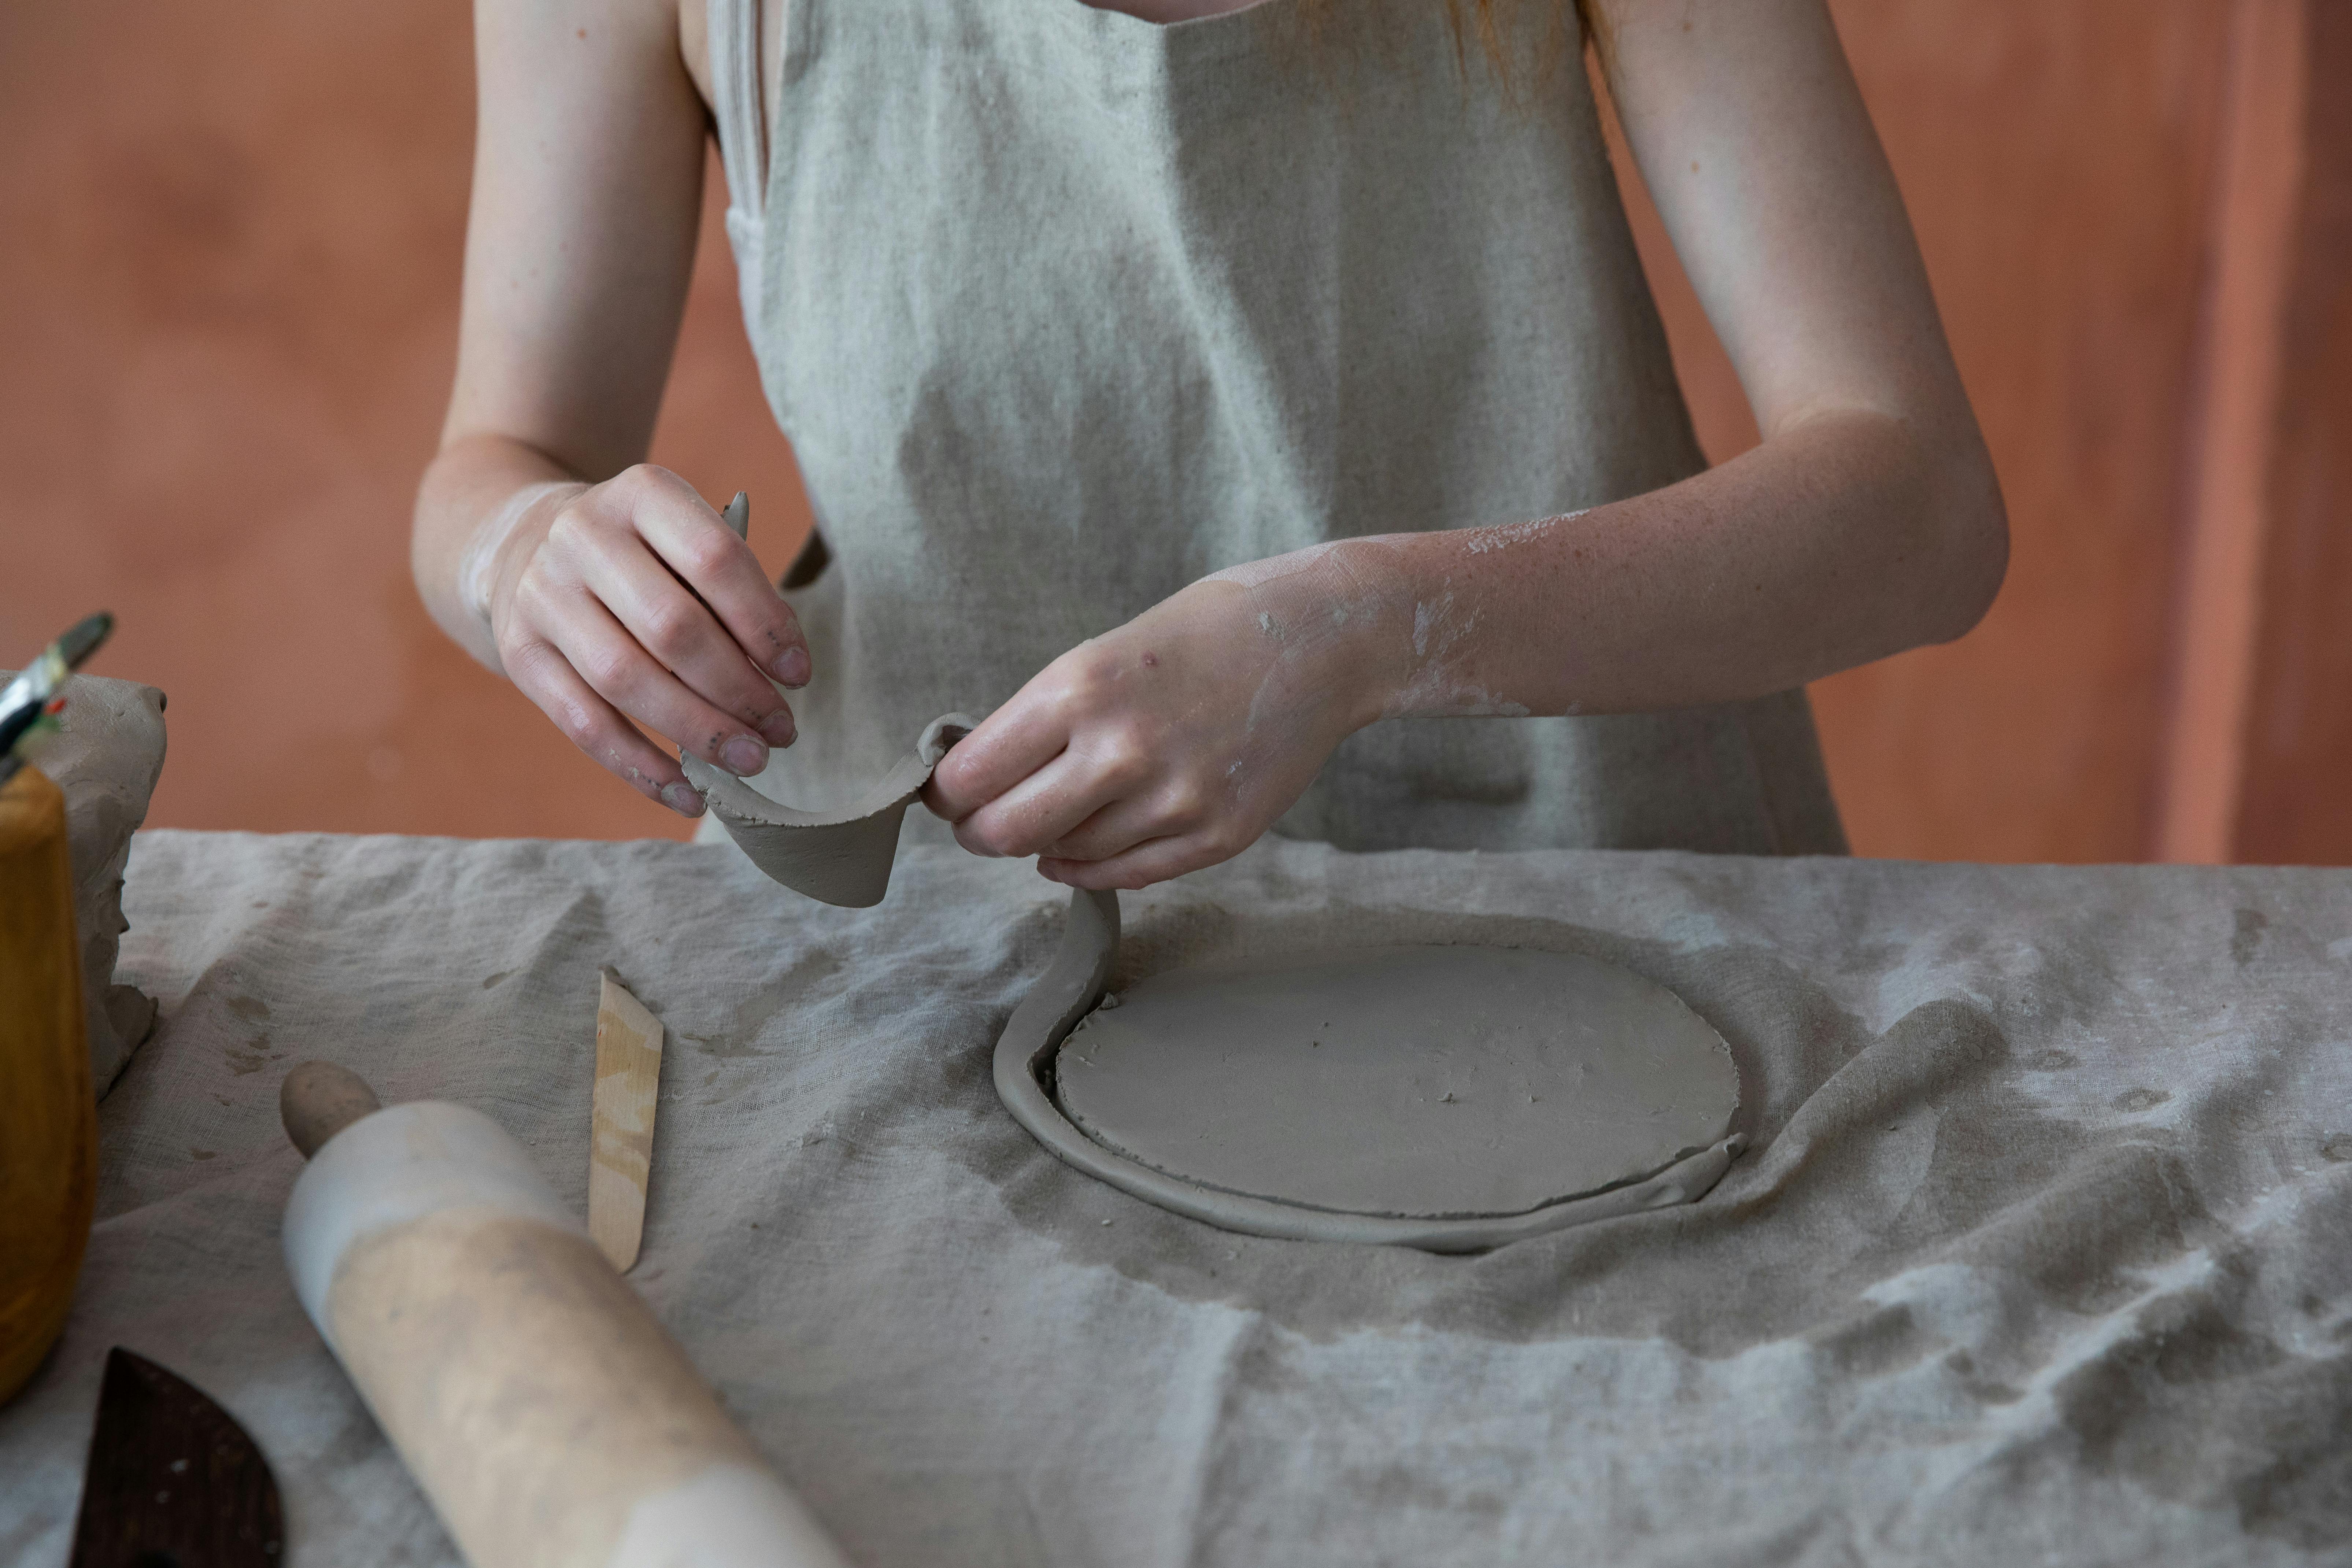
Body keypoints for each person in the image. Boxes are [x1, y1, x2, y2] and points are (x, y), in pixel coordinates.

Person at [413, 0, 2005, 891]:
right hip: (957, 944)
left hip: (1593, 905)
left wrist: (1361, 627)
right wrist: (524, 554)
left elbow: (1919, 503)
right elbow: (501, 456)